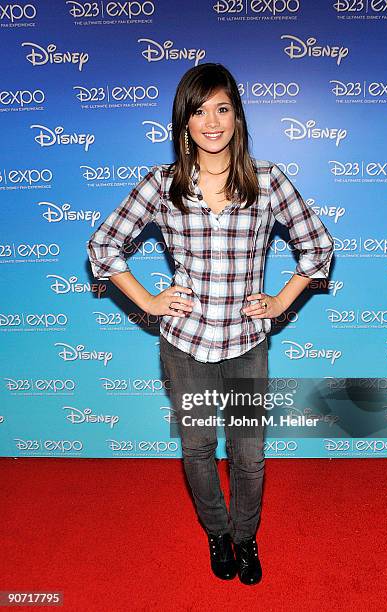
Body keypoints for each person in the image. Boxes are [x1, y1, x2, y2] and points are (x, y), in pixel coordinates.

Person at [86, 63, 334, 586]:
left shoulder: (267, 180)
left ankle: (246, 539)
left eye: (223, 109)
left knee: (249, 455)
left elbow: (318, 244)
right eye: (200, 111)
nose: (212, 122)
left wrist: (282, 299)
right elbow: (104, 246)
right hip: (185, 346)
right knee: (198, 448)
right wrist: (149, 302)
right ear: (184, 123)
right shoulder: (162, 184)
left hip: (246, 345)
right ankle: (216, 532)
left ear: (238, 117)